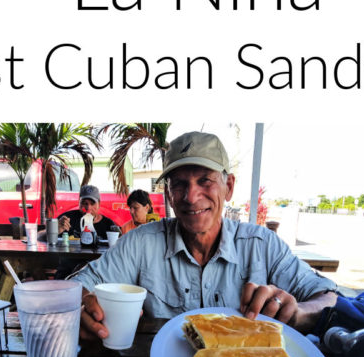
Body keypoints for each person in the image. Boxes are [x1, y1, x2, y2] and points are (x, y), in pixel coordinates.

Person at [71, 131, 337, 341]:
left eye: (205, 181)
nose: (191, 196)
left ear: (228, 187)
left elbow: (329, 297)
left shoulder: (262, 245)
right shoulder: (141, 242)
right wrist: (84, 306)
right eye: (179, 184)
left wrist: (298, 313)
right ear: (169, 195)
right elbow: (80, 284)